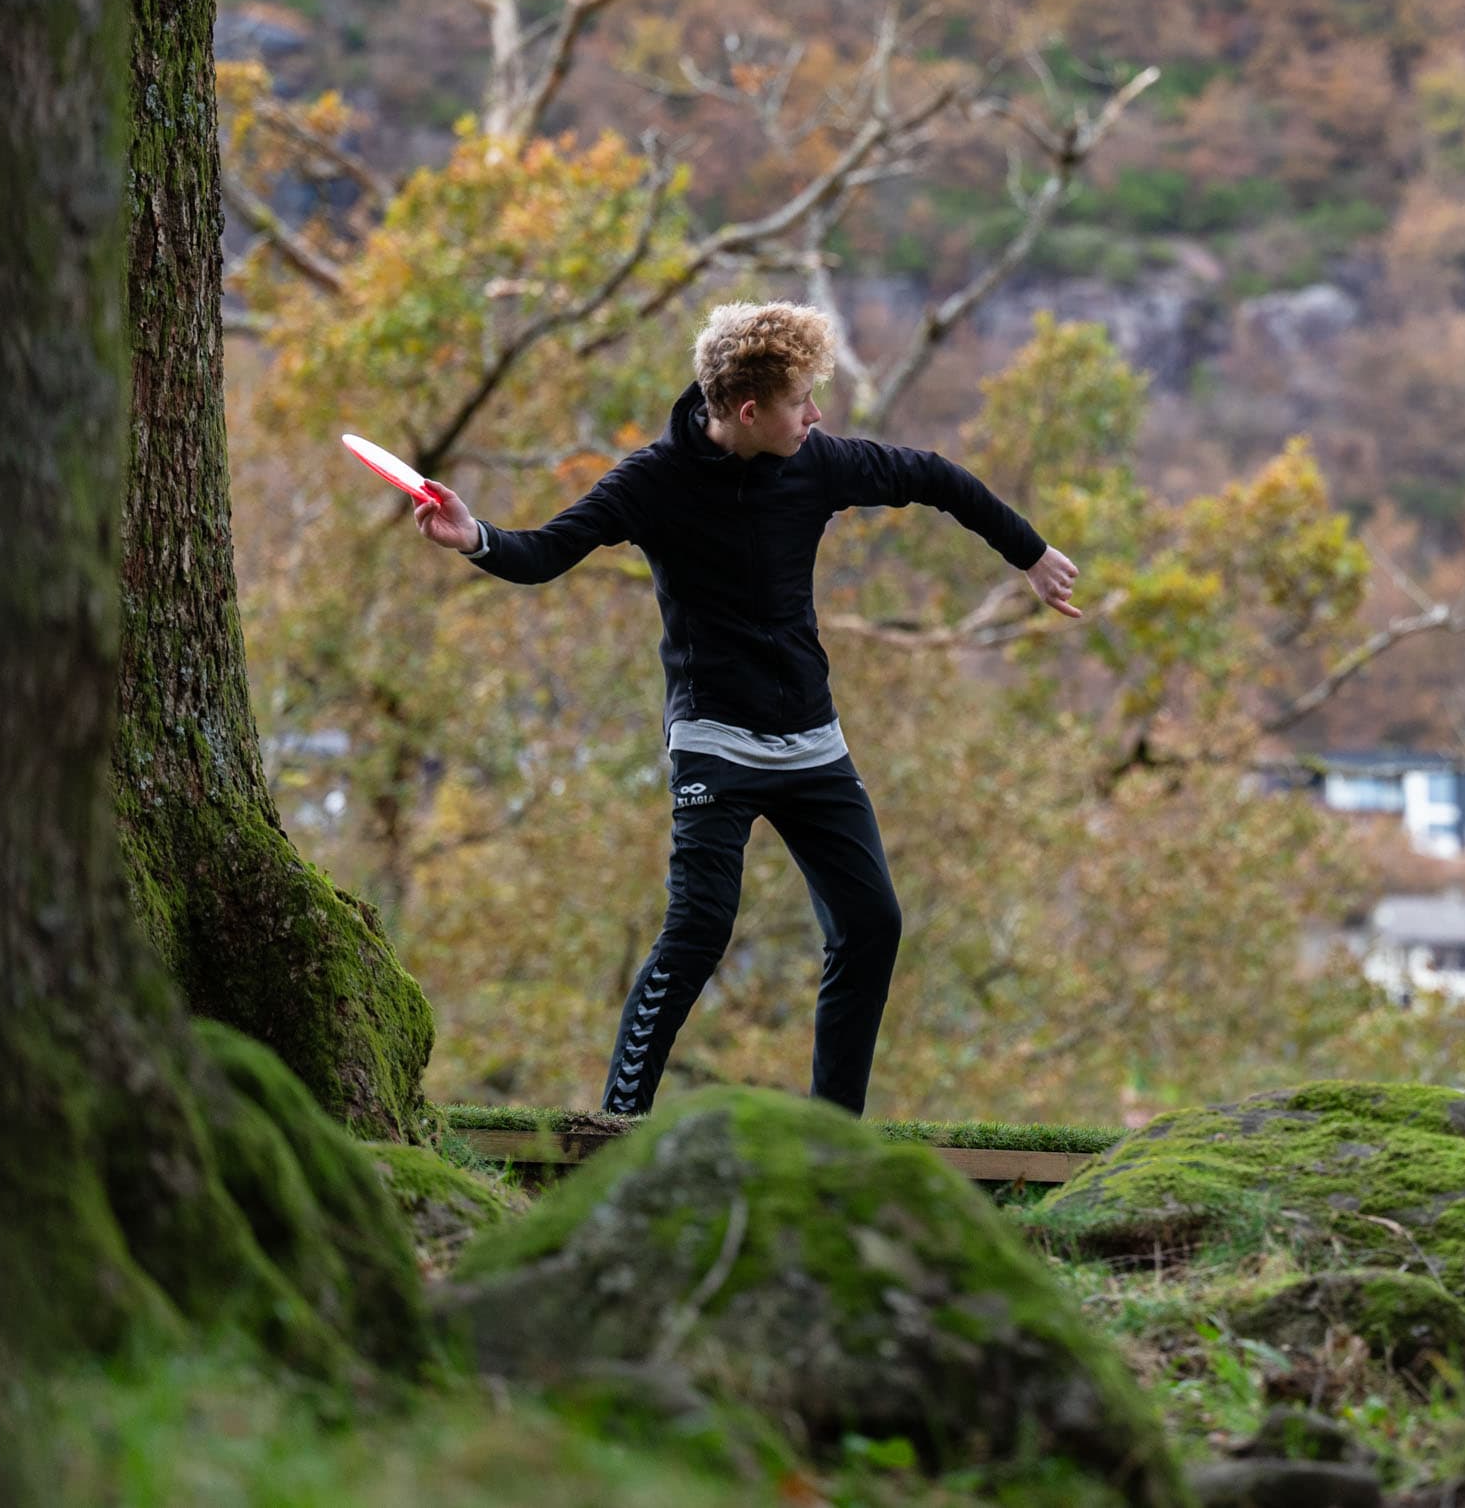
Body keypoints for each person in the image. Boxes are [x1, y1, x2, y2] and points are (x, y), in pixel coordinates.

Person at [410, 301, 1081, 1115]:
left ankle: (832, 1130)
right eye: (803, 401)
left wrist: (1032, 554)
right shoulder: (650, 482)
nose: (817, 415)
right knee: (698, 932)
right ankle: (619, 1118)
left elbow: (934, 477)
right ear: (750, 410)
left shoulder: (818, 462)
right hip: (714, 744)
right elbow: (547, 551)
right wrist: (474, 534)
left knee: (872, 924)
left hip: (813, 745)